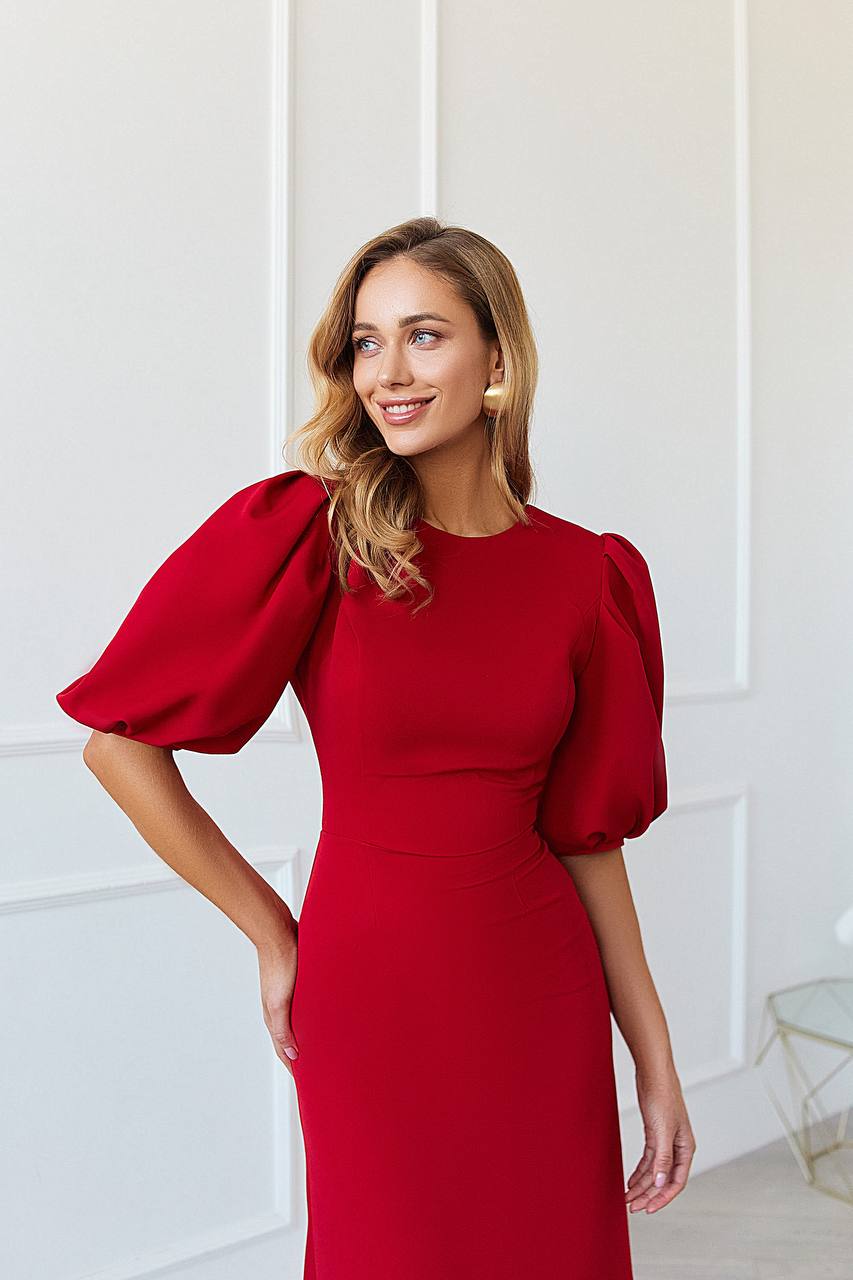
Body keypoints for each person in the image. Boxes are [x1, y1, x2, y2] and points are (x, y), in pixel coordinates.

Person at [56, 216, 695, 1279]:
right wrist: (270, 930)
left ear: (498, 358)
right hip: (368, 994)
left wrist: (655, 1058)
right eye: (365, 341)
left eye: (424, 336)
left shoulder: (588, 576)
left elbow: (587, 836)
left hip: (539, 996)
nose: (388, 372)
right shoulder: (312, 533)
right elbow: (116, 742)